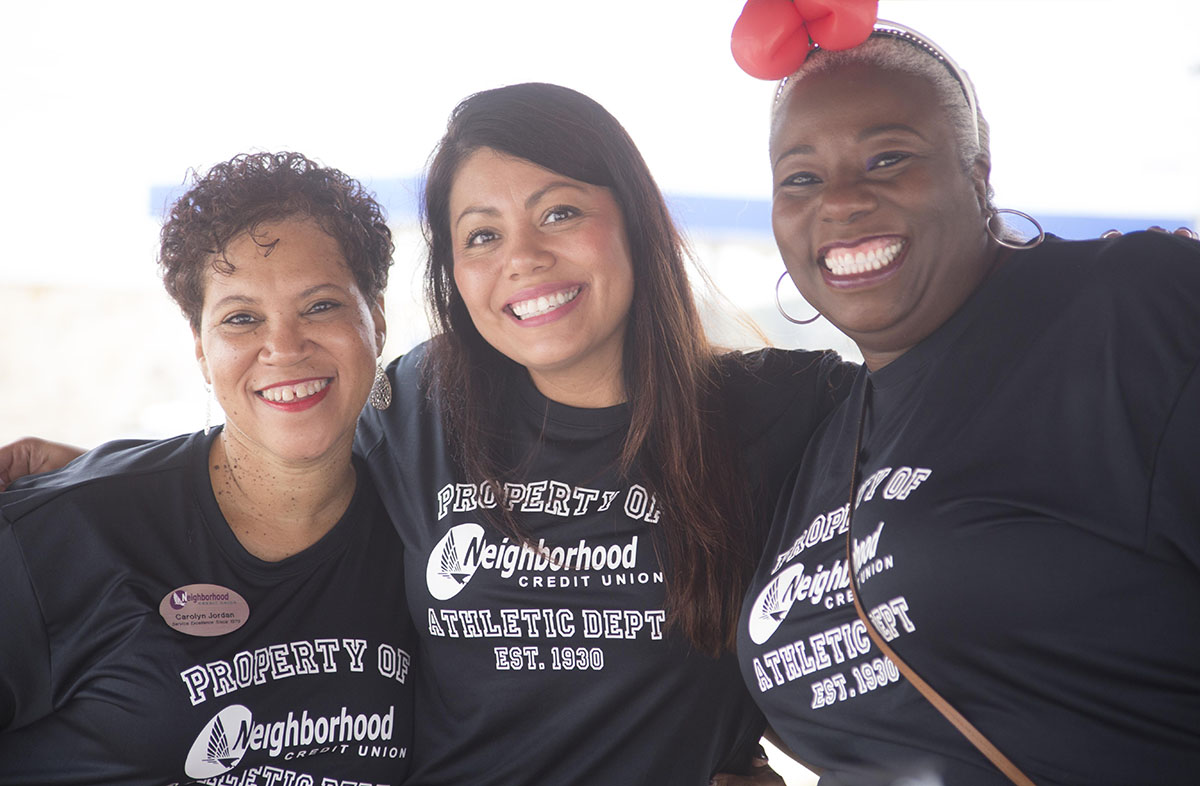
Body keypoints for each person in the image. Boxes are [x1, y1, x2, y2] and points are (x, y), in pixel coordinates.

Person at [733, 18, 1200, 786]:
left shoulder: (1128, 313)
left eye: (888, 159)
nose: (841, 201)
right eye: (801, 178)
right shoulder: (822, 440)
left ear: (978, 173)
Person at [354, 82, 852, 784]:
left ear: (635, 221)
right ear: (453, 275)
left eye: (559, 212)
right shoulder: (416, 406)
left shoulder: (788, 409)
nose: (521, 257)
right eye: (482, 235)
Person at [0, 152, 415, 783]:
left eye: (321, 306)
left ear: (376, 320)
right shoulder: (63, 538)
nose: (284, 347)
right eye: (241, 318)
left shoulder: (422, 533)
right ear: (201, 348)